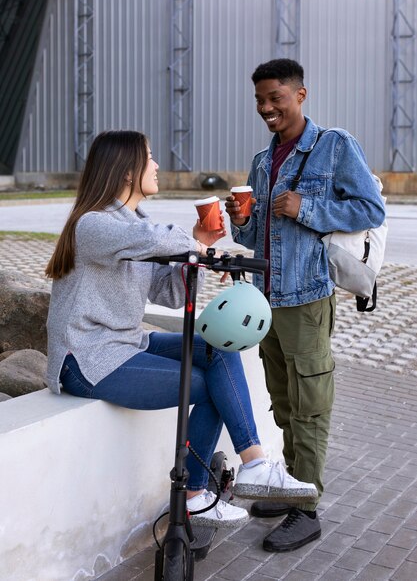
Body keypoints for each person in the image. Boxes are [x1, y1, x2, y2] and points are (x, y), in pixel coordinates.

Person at [45, 129, 318, 530]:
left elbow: (170, 293)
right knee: (210, 387)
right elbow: (153, 238)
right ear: (126, 172)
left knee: (218, 346)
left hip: (125, 344)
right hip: (87, 358)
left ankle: (255, 465)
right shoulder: (94, 224)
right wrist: (196, 248)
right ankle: (193, 493)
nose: (157, 165)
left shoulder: (135, 224)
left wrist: (198, 246)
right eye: (150, 157)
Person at [225, 59, 386, 549]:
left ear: (300, 95)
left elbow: (370, 209)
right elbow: (252, 234)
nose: (266, 108)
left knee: (311, 404)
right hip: (265, 298)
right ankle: (293, 486)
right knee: (283, 401)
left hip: (308, 298)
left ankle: (308, 507)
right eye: (259, 100)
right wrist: (240, 218)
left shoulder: (334, 145)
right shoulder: (261, 159)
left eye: (275, 97)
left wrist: (306, 207)